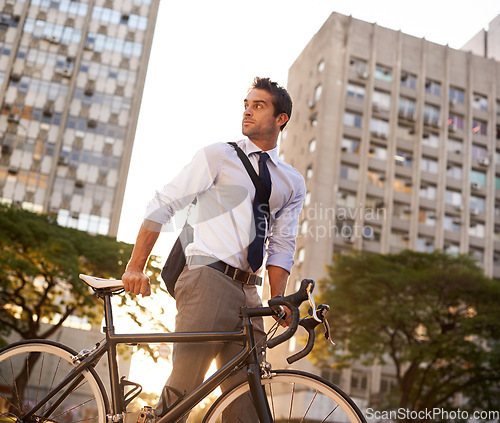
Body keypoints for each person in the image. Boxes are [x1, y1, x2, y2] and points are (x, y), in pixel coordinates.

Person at [122, 77, 305, 421]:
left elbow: (282, 242)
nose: (248, 111)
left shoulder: (291, 180)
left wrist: (276, 296)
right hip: (207, 278)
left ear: (281, 118)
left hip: (250, 294)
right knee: (184, 392)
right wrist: (135, 265)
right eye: (246, 105)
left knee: (247, 403)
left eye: (259, 105)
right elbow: (163, 204)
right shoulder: (219, 155)